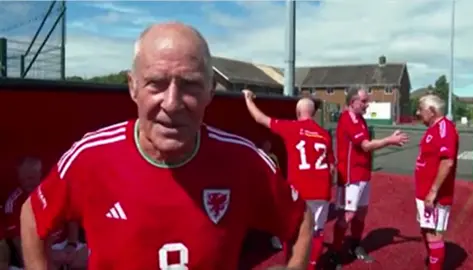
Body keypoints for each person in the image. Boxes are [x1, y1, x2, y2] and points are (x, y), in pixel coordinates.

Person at [20, 22, 313, 270]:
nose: (172, 103)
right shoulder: (91, 156)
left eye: (190, 85)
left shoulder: (243, 160)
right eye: (156, 83)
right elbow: (32, 215)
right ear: (133, 87)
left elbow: (300, 219)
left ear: (210, 92)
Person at [243, 90, 335, 269]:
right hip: (321, 190)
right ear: (314, 114)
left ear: (298, 113)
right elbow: (331, 167)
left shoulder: (290, 127)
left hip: (300, 190)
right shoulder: (324, 134)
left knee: (293, 230)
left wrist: (248, 99)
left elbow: (260, 119)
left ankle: (291, 264)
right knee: (317, 232)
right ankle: (312, 265)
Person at [330, 85, 409, 269]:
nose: (368, 104)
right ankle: (335, 252)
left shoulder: (359, 119)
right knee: (348, 215)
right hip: (351, 176)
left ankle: (355, 246)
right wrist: (389, 140)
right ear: (353, 102)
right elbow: (365, 146)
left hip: (363, 174)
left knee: (362, 212)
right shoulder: (348, 120)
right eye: (364, 101)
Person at [5, 157, 87, 270]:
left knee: (86, 260)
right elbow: (18, 241)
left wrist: (71, 245)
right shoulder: (14, 202)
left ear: (40, 174)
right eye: (22, 180)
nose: (26, 184)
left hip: (65, 244)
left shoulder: (56, 190)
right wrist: (46, 255)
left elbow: (71, 220)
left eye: (30, 178)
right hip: (38, 249)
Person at [415, 94, 458, 270]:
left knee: (434, 235)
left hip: (436, 195)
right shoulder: (433, 129)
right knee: (426, 231)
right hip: (425, 192)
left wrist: (433, 191)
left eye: (421, 109)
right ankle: (433, 262)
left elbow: (447, 161)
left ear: (432, 111)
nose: (418, 113)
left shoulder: (444, 129)